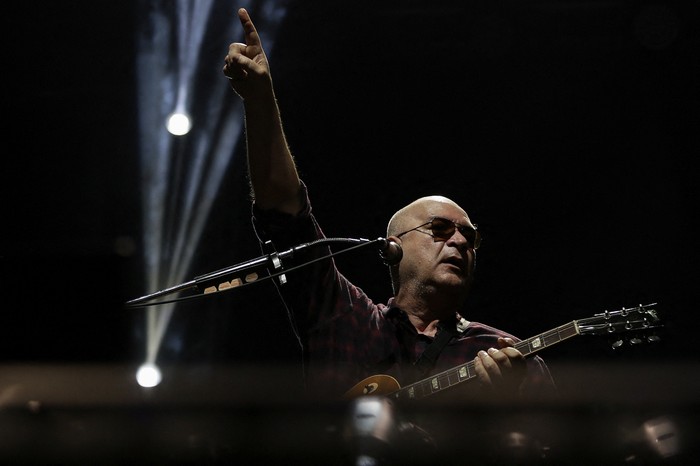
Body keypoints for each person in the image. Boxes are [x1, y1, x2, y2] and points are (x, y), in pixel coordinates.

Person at [222, 8, 557, 405]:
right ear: (392, 246)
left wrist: (503, 414)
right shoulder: (347, 320)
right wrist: (260, 101)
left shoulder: (510, 356)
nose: (460, 242)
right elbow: (284, 216)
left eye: (470, 236)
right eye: (440, 229)